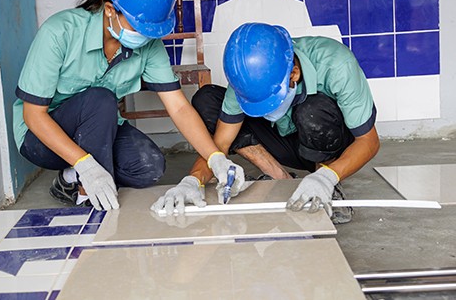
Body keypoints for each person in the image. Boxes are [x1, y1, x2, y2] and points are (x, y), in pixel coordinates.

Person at [13, 0, 246, 211]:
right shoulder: (59, 32)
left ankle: (69, 178)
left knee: (149, 166)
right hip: (40, 136)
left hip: (99, 129)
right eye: (139, 26)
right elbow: (33, 116)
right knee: (100, 100)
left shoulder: (148, 46)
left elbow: (179, 107)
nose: (146, 36)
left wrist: (215, 158)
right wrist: (86, 165)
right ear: (110, 10)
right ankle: (86, 193)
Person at [152, 22, 380, 224]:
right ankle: (282, 180)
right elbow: (218, 146)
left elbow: (369, 141)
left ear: (294, 73)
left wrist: (327, 177)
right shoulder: (246, 79)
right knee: (207, 99)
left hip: (326, 141)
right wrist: (192, 180)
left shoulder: (337, 64)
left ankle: (324, 187)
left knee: (313, 111)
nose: (267, 109)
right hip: (281, 139)